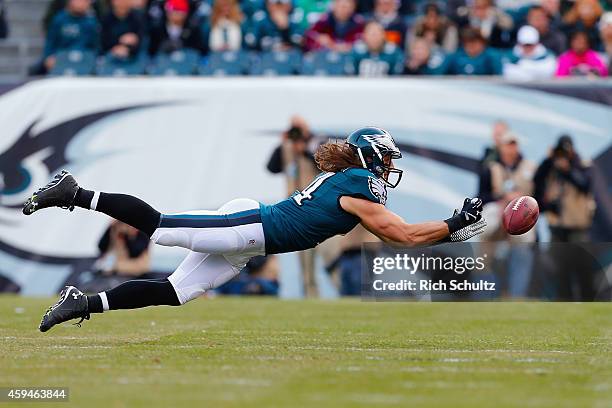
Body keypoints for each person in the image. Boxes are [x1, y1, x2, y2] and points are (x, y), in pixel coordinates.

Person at [25, 127, 486, 332]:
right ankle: (74, 192)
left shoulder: (354, 181)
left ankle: (83, 302)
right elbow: (401, 234)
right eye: (385, 157)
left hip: (253, 241)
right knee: (162, 228)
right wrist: (454, 223)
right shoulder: (358, 182)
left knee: (176, 292)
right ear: (368, 156)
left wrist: (451, 227)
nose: (388, 167)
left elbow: (396, 234)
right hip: (253, 225)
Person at [533, 135, 595, 300]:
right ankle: (564, 305)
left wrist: (567, 170)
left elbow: (585, 184)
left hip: (578, 226)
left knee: (583, 268)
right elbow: (536, 184)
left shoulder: (581, 163)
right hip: (557, 227)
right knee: (560, 270)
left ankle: (589, 303)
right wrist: (548, 160)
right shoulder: (550, 167)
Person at [266, 116, 320, 297]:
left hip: (318, 207)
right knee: (305, 260)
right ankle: (311, 297)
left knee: (331, 259)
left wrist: (305, 147)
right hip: (297, 210)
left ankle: (344, 298)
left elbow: (324, 165)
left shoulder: (316, 143)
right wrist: (282, 144)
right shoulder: (287, 149)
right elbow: (271, 168)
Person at [478, 132, 536, 298]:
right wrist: (503, 197)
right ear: (501, 147)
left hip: (522, 217)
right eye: (508, 144)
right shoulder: (491, 168)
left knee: (523, 250)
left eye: (514, 144)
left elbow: (539, 195)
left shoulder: (530, 167)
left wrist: (521, 201)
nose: (511, 148)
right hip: (497, 212)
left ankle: (517, 296)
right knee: (485, 249)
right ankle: (484, 296)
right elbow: (480, 196)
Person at [35, 0, 100, 75]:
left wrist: (91, 60)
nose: (81, 3)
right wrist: (48, 57)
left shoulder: (92, 22)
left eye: (85, 1)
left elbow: (96, 48)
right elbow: (50, 42)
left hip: (83, 60)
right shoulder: (59, 19)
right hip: (60, 58)